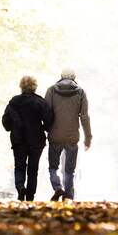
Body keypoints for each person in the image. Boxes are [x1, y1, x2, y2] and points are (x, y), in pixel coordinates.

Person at [2, 76, 52, 201]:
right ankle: (30, 195)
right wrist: (45, 128)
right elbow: (48, 120)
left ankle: (20, 188)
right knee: (33, 169)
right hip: (36, 140)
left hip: (18, 140)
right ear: (35, 86)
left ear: (21, 86)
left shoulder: (14, 102)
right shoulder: (40, 102)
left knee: (19, 166)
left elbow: (6, 121)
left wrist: (11, 127)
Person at [45, 67, 92, 201]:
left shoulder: (51, 90)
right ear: (74, 78)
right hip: (72, 136)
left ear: (61, 76)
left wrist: (47, 130)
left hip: (55, 135)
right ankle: (69, 196)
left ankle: (57, 188)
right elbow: (84, 117)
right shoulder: (80, 92)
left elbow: (46, 113)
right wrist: (88, 137)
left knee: (53, 167)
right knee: (69, 170)